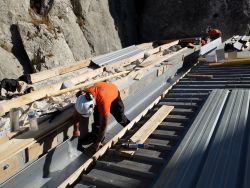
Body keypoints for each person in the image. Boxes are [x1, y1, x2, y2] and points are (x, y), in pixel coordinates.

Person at [73, 81, 130, 152]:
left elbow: (104, 125)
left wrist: (97, 143)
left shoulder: (104, 103)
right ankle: (96, 137)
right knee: (97, 122)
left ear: (92, 105)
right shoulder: (81, 99)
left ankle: (129, 127)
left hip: (112, 93)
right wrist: (76, 129)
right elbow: (76, 113)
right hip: (99, 93)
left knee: (120, 118)